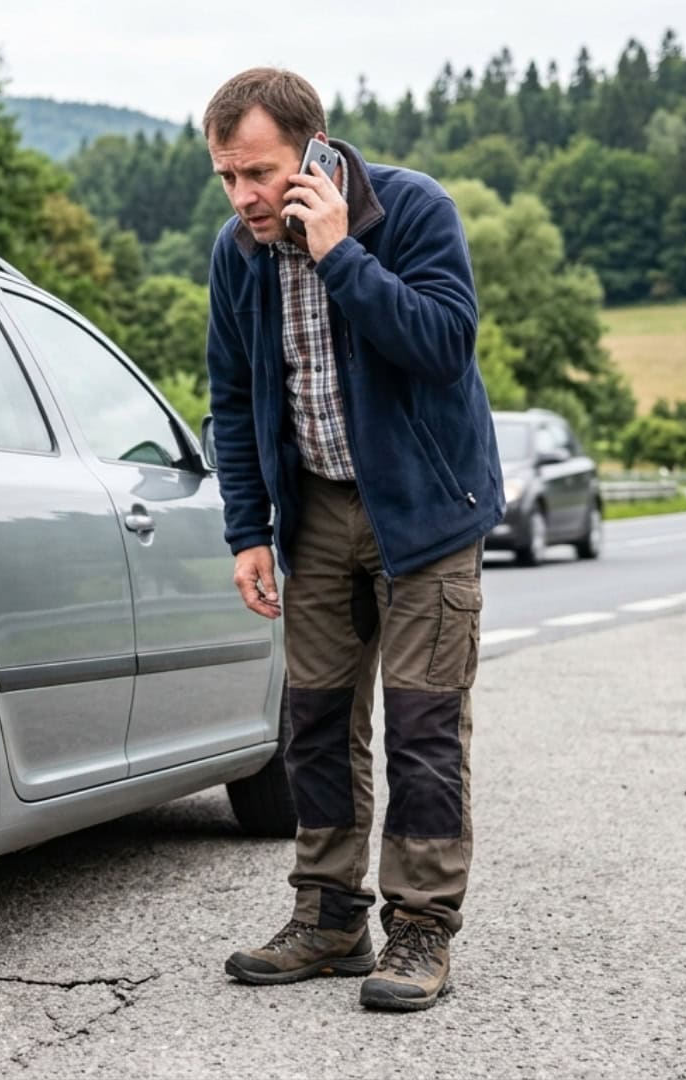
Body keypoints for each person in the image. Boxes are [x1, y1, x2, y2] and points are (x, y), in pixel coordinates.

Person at [201, 67, 504, 1012]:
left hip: (424, 510)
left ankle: (421, 929)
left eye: (259, 173)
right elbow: (233, 397)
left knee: (421, 726)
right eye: (226, 177)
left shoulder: (410, 212)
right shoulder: (236, 252)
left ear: (314, 154)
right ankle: (331, 918)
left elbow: (443, 344)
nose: (244, 196)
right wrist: (247, 528)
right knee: (318, 723)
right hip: (317, 512)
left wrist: (342, 256)